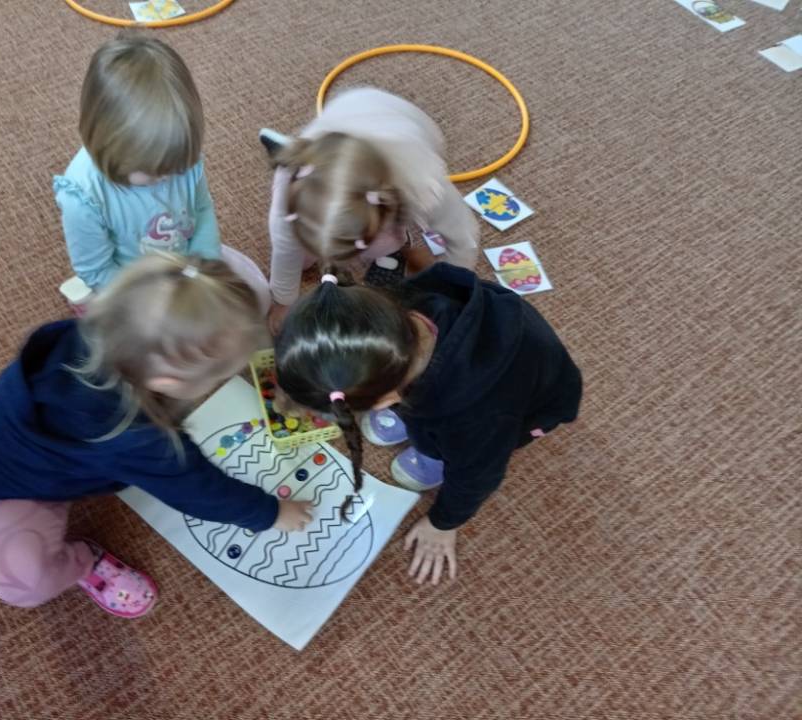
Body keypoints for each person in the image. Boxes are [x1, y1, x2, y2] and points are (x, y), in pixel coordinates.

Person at [0, 254, 312, 616]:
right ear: (167, 382)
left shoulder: (90, 334)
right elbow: (200, 491)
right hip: (10, 492)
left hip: (23, 444)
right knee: (21, 581)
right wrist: (270, 513)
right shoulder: (139, 438)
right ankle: (83, 563)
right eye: (217, 377)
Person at [273, 264, 581, 585]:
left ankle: (434, 454)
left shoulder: (477, 421)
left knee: (450, 446)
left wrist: (443, 524)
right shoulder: (393, 311)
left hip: (531, 405)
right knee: (428, 416)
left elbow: (476, 478)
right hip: (465, 366)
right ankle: (413, 418)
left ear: (385, 399)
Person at [53, 34, 267, 310]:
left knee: (257, 297)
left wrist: (203, 265)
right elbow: (97, 270)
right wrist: (153, 300)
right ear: (107, 145)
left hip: (183, 264)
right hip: (132, 288)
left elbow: (202, 209)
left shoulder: (179, 158)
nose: (168, 177)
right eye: (153, 171)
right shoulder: (83, 196)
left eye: (176, 166)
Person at [263, 87, 480, 332]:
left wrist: (446, 286)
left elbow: (465, 240)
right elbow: (284, 246)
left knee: (387, 255)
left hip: (409, 126)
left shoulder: (426, 188)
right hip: (347, 114)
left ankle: (392, 248)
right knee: (295, 252)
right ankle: (332, 244)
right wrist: (283, 301)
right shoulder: (293, 180)